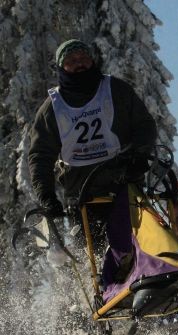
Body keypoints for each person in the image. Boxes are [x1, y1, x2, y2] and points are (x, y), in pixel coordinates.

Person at [29, 39, 156, 217]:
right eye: (71, 61)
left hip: (124, 184)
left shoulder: (116, 91)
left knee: (132, 242)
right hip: (81, 194)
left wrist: (140, 155)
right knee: (90, 244)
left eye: (83, 58)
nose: (79, 63)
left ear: (92, 60)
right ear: (61, 67)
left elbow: (144, 125)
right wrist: (46, 196)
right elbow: (40, 155)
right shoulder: (52, 109)